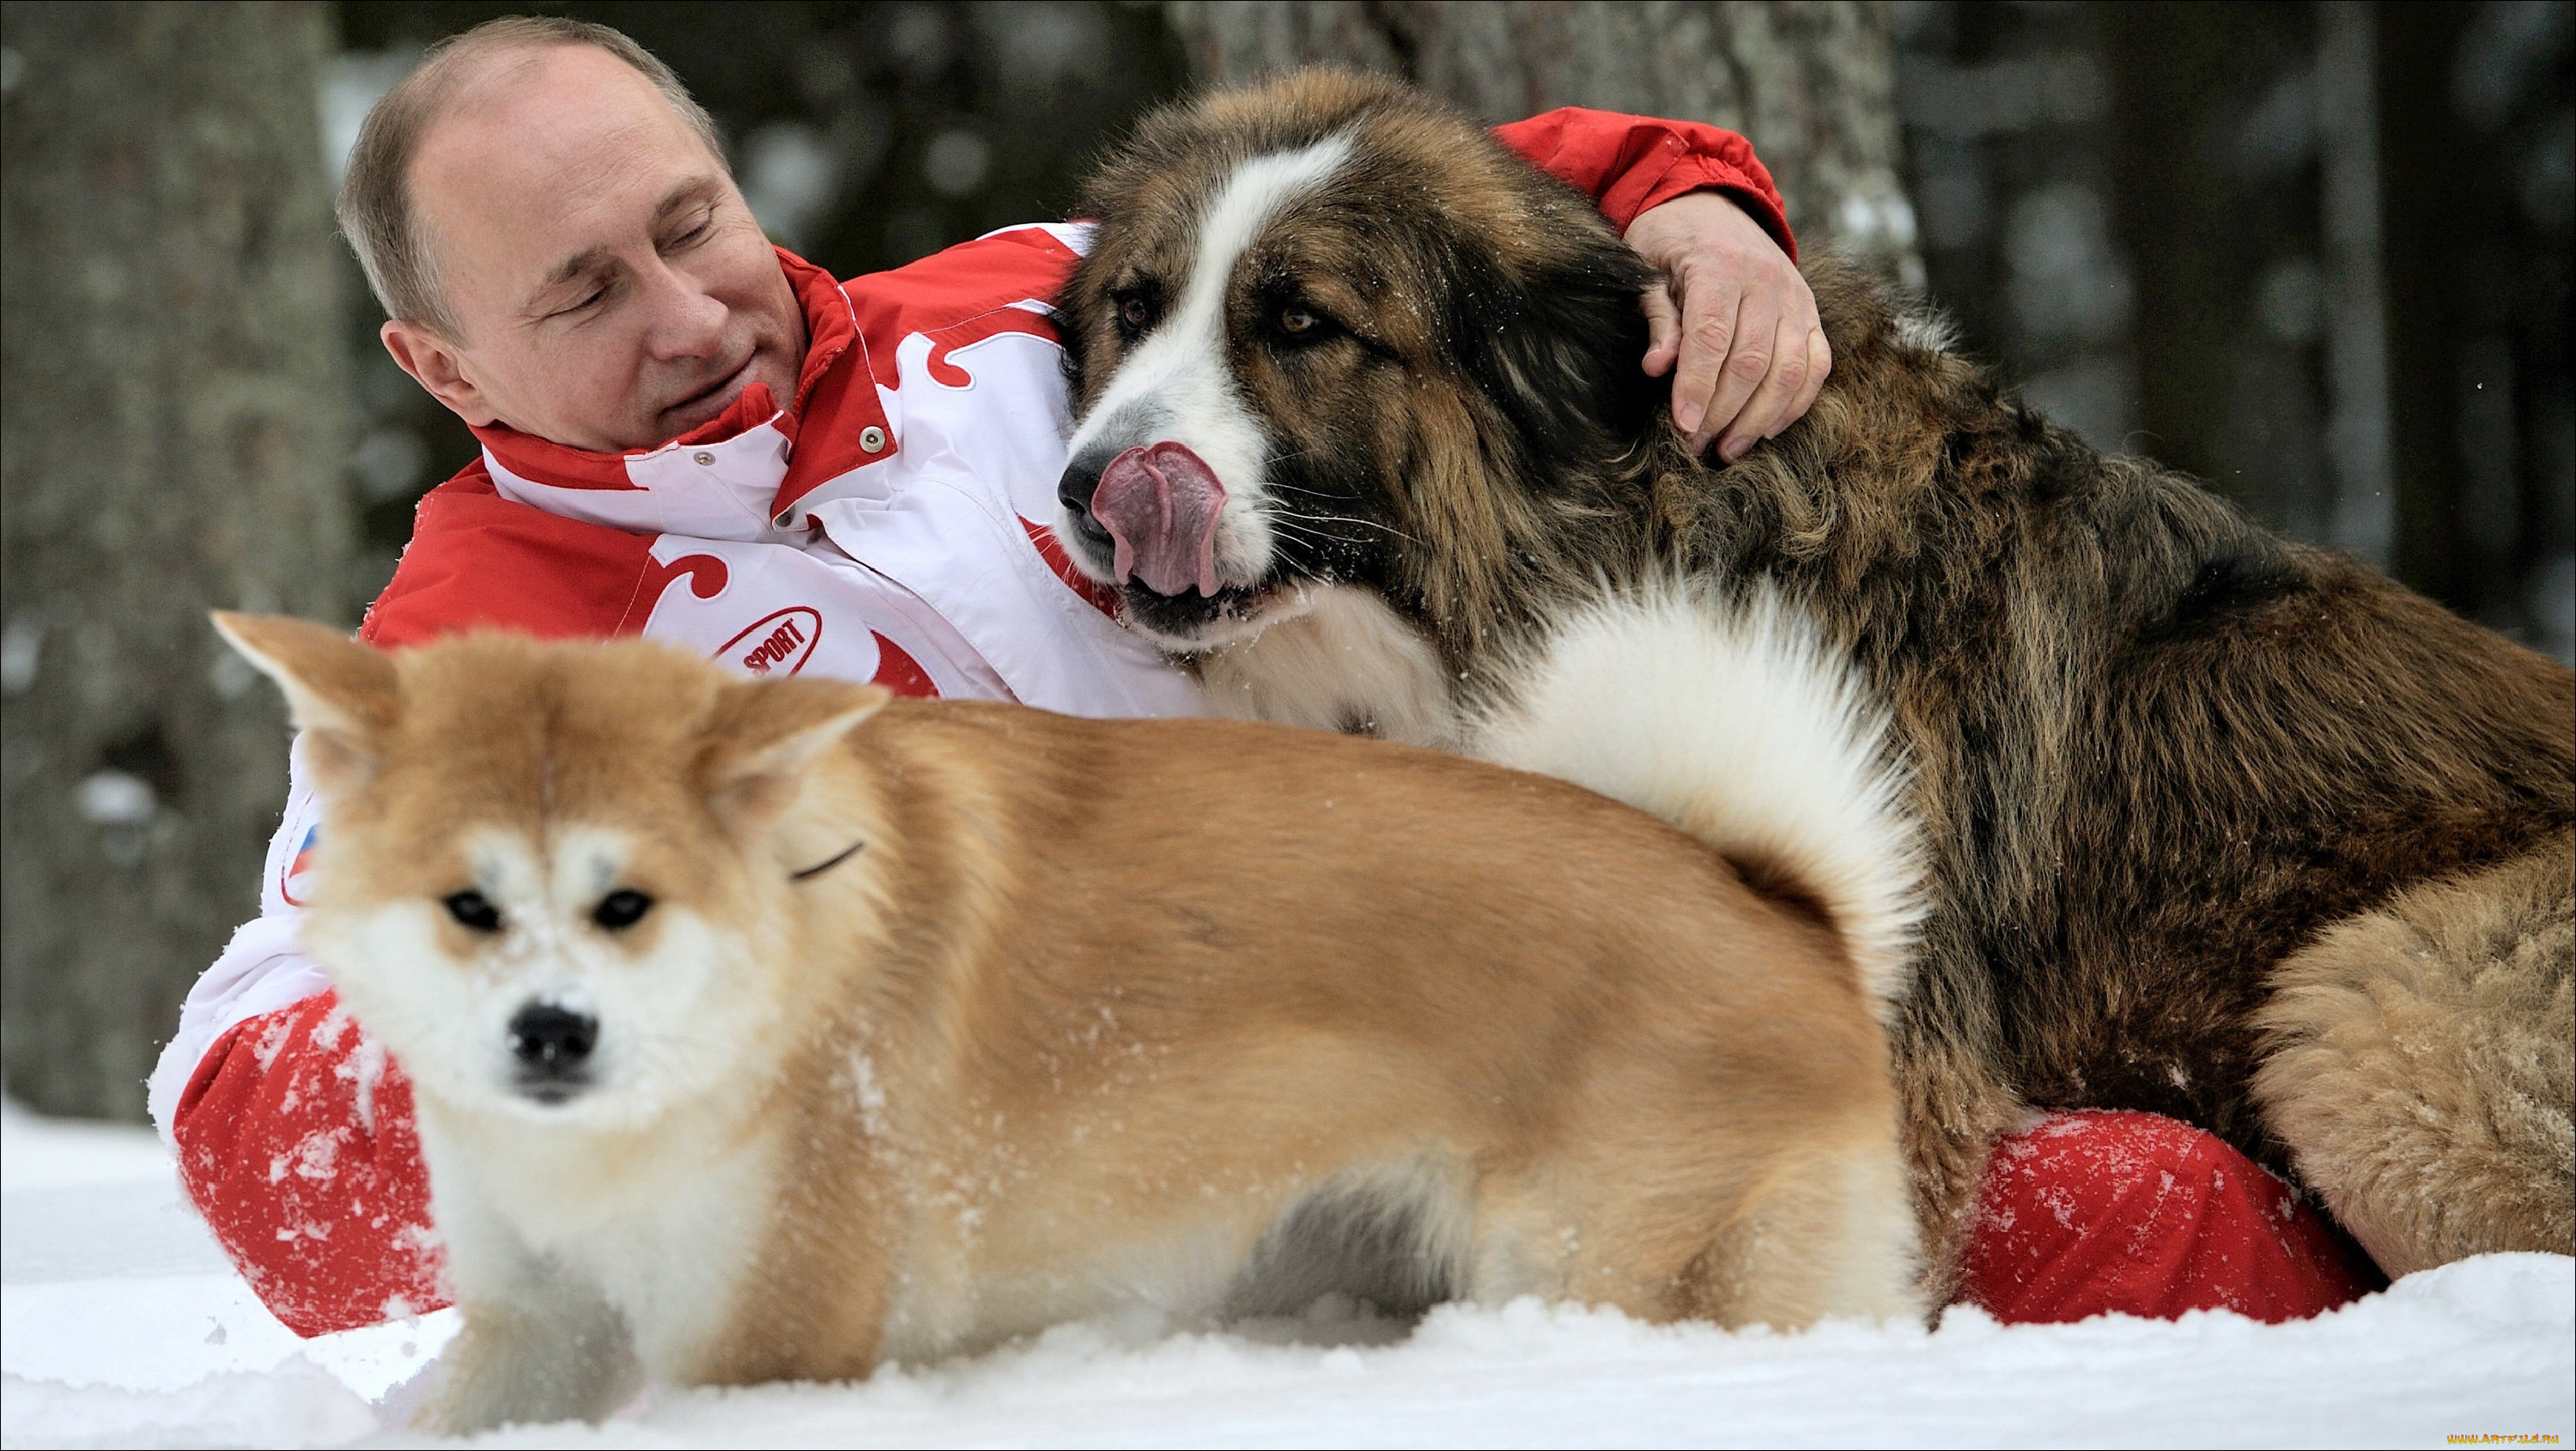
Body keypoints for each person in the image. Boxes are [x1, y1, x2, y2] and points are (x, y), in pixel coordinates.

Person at [147, 15, 2381, 1340]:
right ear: (438, 364)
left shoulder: (1020, 311)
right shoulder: (471, 651)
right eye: (583, 293)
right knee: (2042, 1241)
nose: (696, 309)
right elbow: (267, 1119)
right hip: (1164, 1220)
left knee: (2168, 1191)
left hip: (1526, 1009)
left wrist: (1700, 206)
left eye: (694, 220)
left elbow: (1463, 193)